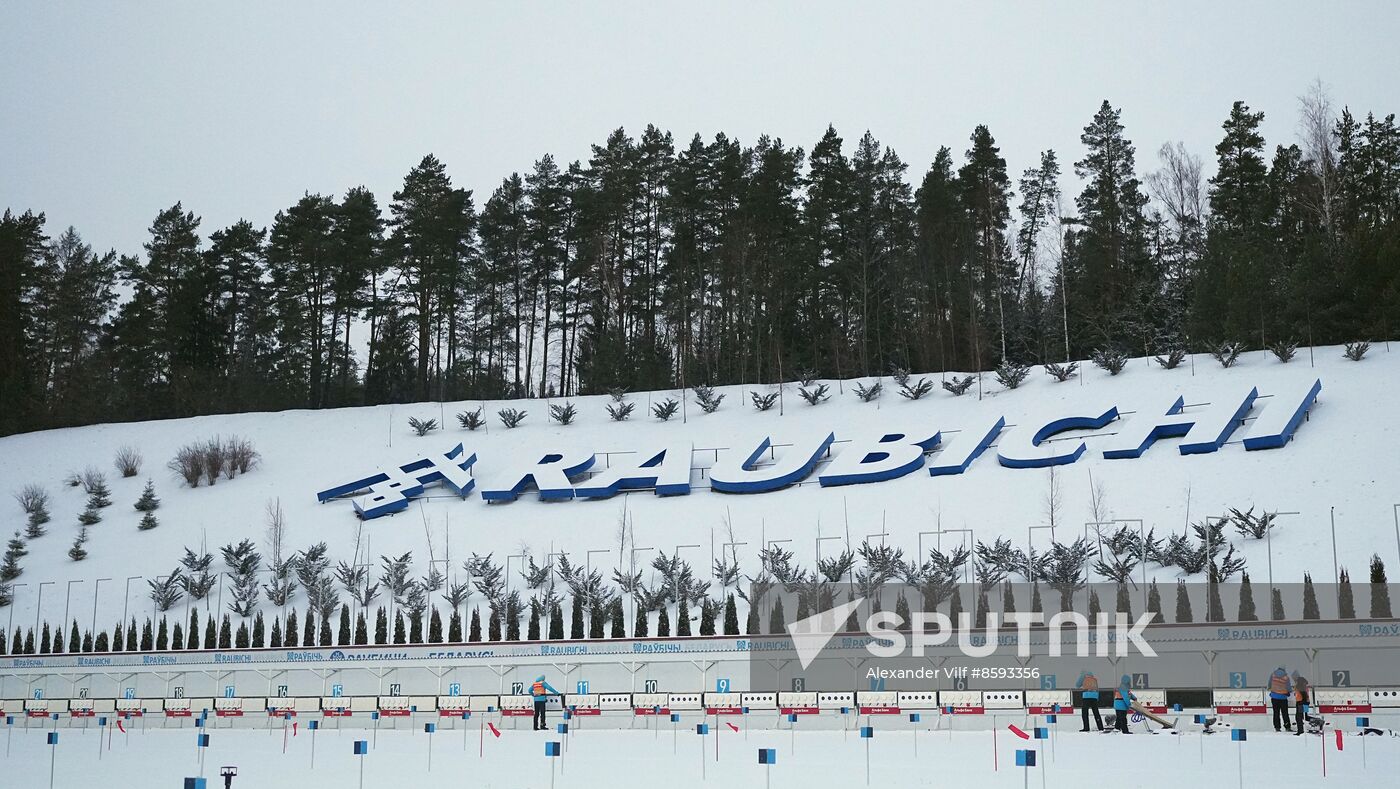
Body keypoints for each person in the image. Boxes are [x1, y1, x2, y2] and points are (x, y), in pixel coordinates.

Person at [1267, 667, 1293, 732]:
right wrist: (1288, 692)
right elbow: (1289, 688)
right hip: (1283, 698)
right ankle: (1287, 727)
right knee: (1285, 713)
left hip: (1274, 697)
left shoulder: (1273, 675)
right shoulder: (1286, 677)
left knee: (1276, 713)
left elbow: (1269, 685)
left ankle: (1277, 727)